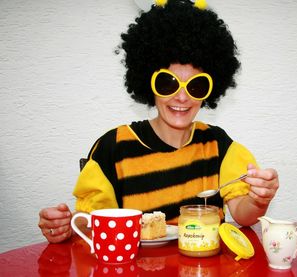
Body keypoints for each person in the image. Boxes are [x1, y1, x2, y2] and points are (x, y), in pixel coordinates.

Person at [38, 0, 279, 244]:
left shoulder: (218, 145)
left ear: (210, 90)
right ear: (147, 82)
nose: (182, 97)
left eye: (196, 86)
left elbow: (244, 215)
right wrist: (66, 226)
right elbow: (92, 222)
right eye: (168, 83)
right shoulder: (113, 148)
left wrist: (259, 199)